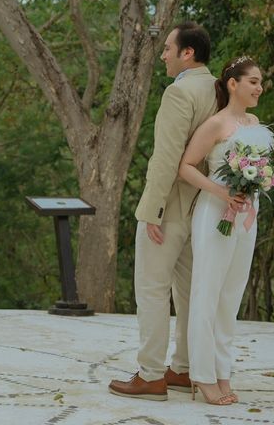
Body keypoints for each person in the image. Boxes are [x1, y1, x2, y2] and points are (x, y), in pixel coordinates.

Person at [109, 22, 217, 401]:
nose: (163, 55)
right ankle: (185, 369)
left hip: (169, 205)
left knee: (152, 291)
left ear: (188, 53)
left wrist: (151, 210)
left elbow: (167, 157)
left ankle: (152, 375)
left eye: (168, 48)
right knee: (189, 294)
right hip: (203, 208)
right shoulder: (218, 89)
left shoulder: (179, 92)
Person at [178, 56, 274, 405]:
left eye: (261, 82)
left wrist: (259, 181)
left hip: (246, 214)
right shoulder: (215, 124)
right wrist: (221, 192)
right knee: (207, 293)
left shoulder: (253, 122)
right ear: (233, 84)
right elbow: (186, 167)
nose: (259, 88)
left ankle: (222, 371)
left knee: (230, 296)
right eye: (253, 81)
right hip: (215, 212)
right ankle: (201, 376)